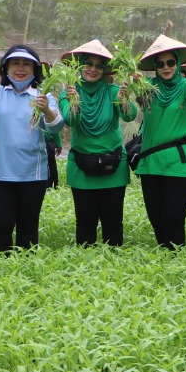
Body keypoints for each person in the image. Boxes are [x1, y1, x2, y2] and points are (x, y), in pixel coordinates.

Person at [0, 45, 64, 254]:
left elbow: (57, 125)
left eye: (26, 64)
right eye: (15, 63)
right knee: (0, 227)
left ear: (35, 70)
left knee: (28, 230)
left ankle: (26, 278)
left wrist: (45, 109)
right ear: (5, 68)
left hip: (32, 176)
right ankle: (0, 275)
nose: (20, 68)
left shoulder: (42, 96)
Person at [60, 40, 138, 246]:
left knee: (113, 222)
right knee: (85, 222)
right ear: (80, 66)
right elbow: (70, 121)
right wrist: (75, 103)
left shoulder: (112, 91)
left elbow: (130, 116)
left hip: (114, 164)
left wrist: (124, 100)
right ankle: (86, 270)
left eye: (98, 65)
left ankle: (113, 267)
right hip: (81, 166)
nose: (93, 69)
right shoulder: (68, 92)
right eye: (88, 64)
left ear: (104, 70)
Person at [132, 35, 186, 248]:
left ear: (179, 64)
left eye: (171, 62)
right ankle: (166, 257)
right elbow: (133, 92)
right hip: (151, 162)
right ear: (155, 67)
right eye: (161, 63)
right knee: (156, 218)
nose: (166, 67)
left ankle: (176, 260)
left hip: (180, 162)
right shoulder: (148, 88)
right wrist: (131, 79)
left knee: (173, 217)